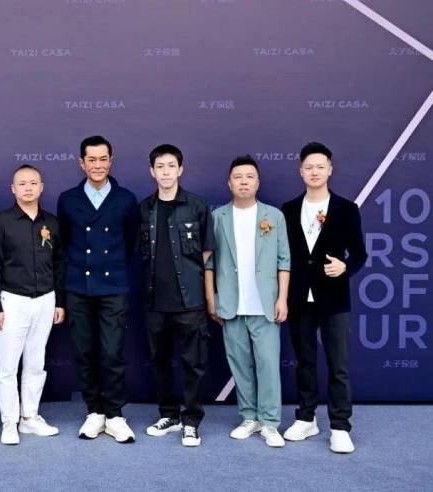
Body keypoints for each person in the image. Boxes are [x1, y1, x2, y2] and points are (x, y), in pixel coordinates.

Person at [281, 142, 368, 454]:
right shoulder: (288, 209)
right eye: (309, 167)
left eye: (320, 166)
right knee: (305, 361)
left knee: (338, 365)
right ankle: (306, 418)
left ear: (330, 169)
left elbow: (360, 254)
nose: (314, 172)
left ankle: (340, 426)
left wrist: (345, 267)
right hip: (298, 298)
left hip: (333, 299)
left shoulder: (346, 209)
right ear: (300, 171)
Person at [56, 135, 140, 443]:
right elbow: (64, 243)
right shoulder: (68, 199)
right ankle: (94, 411)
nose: (98, 165)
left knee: (112, 352)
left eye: (103, 159)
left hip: (113, 286)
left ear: (111, 161)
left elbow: (130, 243)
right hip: (78, 286)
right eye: (91, 159)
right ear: (82, 163)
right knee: (84, 351)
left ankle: (115, 414)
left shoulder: (126, 199)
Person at [205, 155, 290, 448]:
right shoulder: (217, 217)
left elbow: (284, 261)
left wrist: (282, 298)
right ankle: (249, 417)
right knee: (240, 365)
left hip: (265, 306)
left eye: (249, 176)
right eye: (238, 177)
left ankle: (270, 422)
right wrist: (212, 299)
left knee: (268, 365)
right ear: (229, 183)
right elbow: (209, 263)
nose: (244, 181)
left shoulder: (274, 217)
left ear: (258, 182)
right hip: (231, 305)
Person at [139, 144, 215, 447]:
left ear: (180, 169)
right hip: (154, 301)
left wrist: (207, 296)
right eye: (160, 166)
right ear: (152, 171)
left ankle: (191, 421)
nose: (166, 172)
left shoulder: (197, 206)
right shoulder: (144, 208)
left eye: (171, 166)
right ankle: (169, 415)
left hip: (190, 302)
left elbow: (207, 254)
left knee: (193, 363)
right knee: (158, 361)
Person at [0, 165, 66, 445]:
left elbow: (59, 264)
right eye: (22, 183)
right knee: (7, 367)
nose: (28, 188)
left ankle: (29, 417)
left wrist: (60, 302)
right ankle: (9, 422)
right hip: (12, 302)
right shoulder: (1, 222)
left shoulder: (52, 223)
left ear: (41, 187)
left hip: (45, 300)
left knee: (36, 363)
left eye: (33, 183)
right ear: (13, 189)